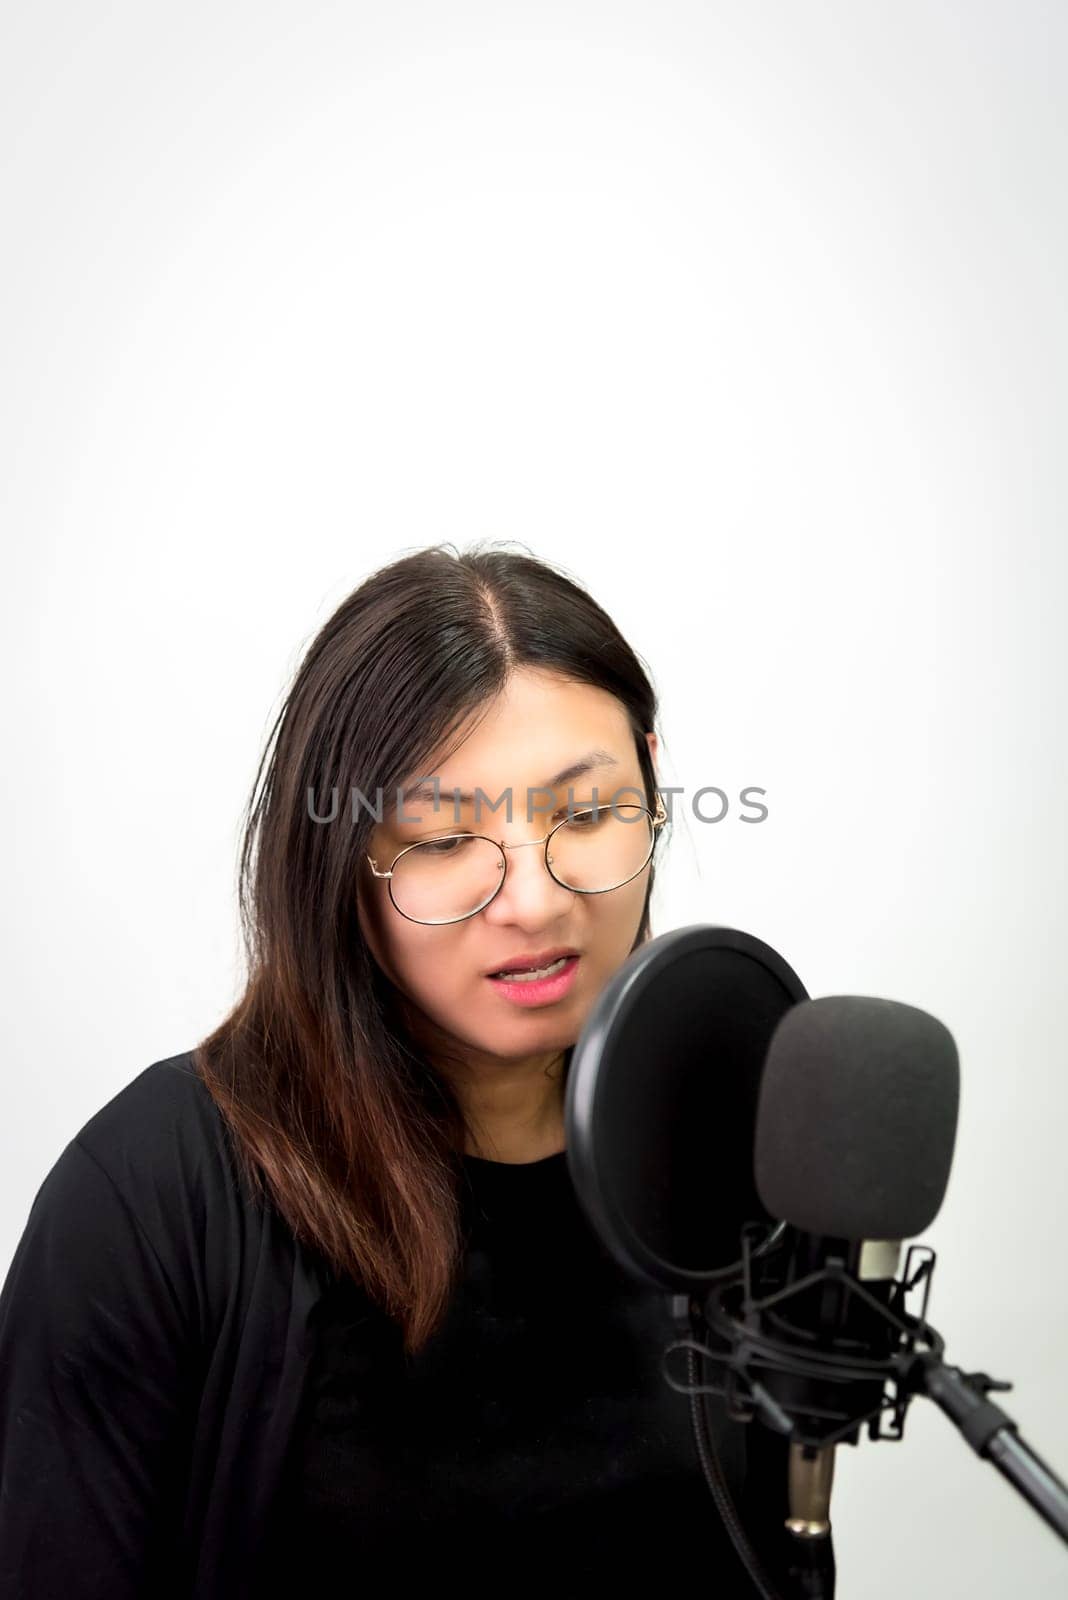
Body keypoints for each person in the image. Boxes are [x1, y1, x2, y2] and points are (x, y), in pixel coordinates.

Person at [0, 542, 830, 1599]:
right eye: (443, 839)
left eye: (584, 815)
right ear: (339, 863)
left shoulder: (732, 1148)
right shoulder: (152, 1197)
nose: (534, 901)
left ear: (655, 786)